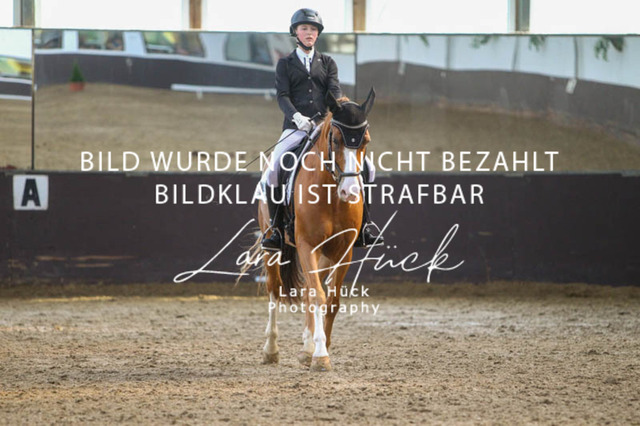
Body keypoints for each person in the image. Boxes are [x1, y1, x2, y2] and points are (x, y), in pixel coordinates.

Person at [260, 8, 383, 251]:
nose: (309, 33)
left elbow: (334, 91)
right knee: (273, 171)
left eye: (313, 29)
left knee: (369, 168)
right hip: (295, 128)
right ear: (295, 32)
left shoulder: (327, 62)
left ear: (318, 34)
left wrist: (342, 110)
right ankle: (276, 229)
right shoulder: (285, 63)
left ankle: (364, 227)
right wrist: (297, 117)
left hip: (325, 128)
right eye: (304, 28)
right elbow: (283, 96)